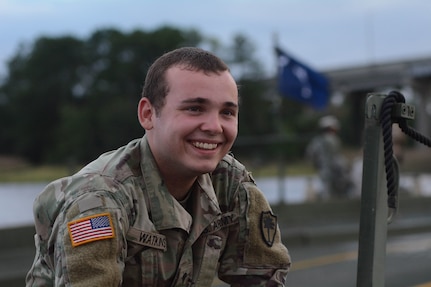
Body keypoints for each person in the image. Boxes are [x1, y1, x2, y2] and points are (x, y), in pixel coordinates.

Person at [25, 47, 291, 286]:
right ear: (148, 114)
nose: (214, 127)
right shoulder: (100, 201)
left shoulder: (230, 183)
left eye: (227, 112)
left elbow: (266, 278)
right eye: (195, 109)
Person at [306, 115, 353, 199]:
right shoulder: (333, 139)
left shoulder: (316, 141)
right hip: (334, 172)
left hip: (324, 171)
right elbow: (337, 157)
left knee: (327, 193)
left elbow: (311, 156)